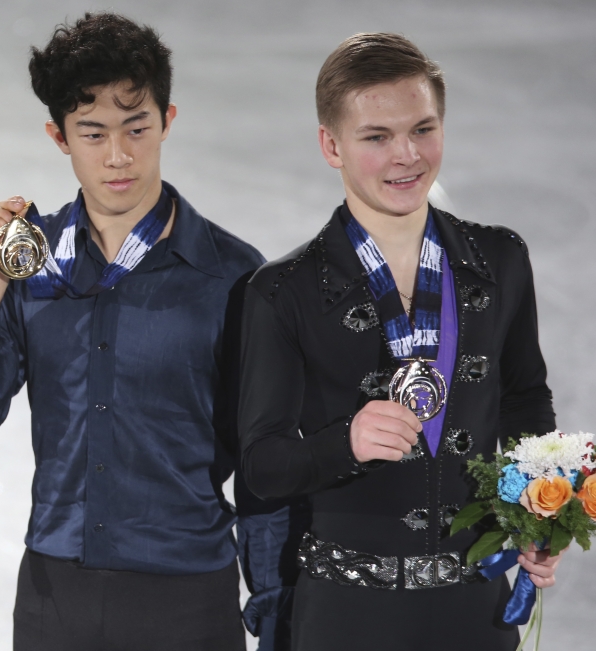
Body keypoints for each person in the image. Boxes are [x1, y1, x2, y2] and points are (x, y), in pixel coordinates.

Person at [0, 12, 299, 651]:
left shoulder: (234, 276)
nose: (119, 156)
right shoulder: (29, 261)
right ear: (59, 136)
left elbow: (263, 466)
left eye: (137, 128)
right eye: (93, 133)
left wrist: (274, 614)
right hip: (53, 597)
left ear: (168, 120)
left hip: (188, 598)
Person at [238, 33, 563, 650]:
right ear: (331, 145)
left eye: (423, 128)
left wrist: (532, 517)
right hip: (346, 616)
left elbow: (525, 402)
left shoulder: (501, 260)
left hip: (477, 611)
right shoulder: (281, 291)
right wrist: (346, 442)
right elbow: (261, 465)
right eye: (377, 137)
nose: (406, 156)